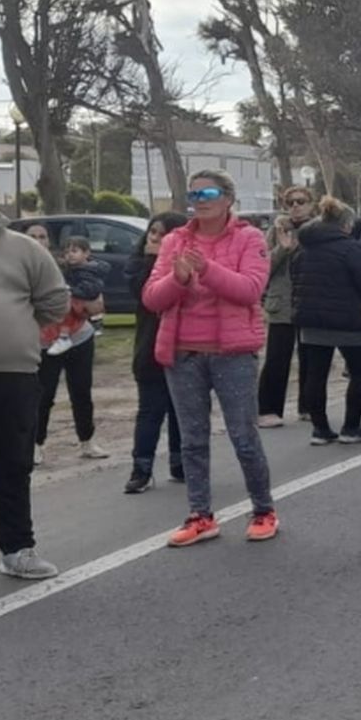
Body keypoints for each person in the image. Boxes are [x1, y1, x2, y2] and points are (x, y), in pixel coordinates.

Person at [142, 168, 278, 547]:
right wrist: (179, 279)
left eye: (208, 193)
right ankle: (200, 515)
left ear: (228, 199)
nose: (199, 201)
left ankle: (264, 509)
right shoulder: (174, 241)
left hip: (232, 355)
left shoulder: (249, 238)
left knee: (243, 436)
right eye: (194, 194)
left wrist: (207, 269)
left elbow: (250, 290)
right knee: (191, 440)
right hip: (183, 353)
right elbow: (152, 298)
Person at [0, 167, 69, 578]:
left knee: (10, 465)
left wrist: (14, 330)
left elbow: (54, 302)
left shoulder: (24, 249)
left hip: (11, 376)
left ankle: (17, 550)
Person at [292, 196, 361, 446]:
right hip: (347, 318)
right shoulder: (351, 248)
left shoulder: (305, 245)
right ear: (347, 224)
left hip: (311, 317)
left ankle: (320, 428)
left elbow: (295, 275)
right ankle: (351, 426)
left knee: (316, 374)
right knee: (360, 372)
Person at [125, 212, 188, 493]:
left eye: (164, 234)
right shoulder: (138, 263)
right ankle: (141, 468)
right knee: (150, 411)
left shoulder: (186, 265)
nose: (156, 239)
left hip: (183, 347)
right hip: (149, 348)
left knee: (181, 411)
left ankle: (180, 462)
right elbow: (145, 295)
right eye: (153, 233)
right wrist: (153, 260)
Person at [35, 235, 109, 463]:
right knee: (43, 395)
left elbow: (96, 303)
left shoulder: (67, 267)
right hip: (43, 340)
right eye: (32, 237)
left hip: (78, 336)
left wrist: (85, 301)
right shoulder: (26, 268)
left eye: (43, 237)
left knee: (81, 392)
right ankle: (36, 444)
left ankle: (87, 441)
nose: (38, 241)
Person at [256, 186, 315, 428]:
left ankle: (309, 405)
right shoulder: (277, 230)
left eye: (301, 201)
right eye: (290, 203)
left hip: (312, 300)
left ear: (311, 204)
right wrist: (283, 248)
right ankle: (268, 409)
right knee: (277, 358)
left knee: (311, 356)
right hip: (282, 304)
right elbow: (263, 268)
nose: (296, 206)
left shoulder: (319, 230)